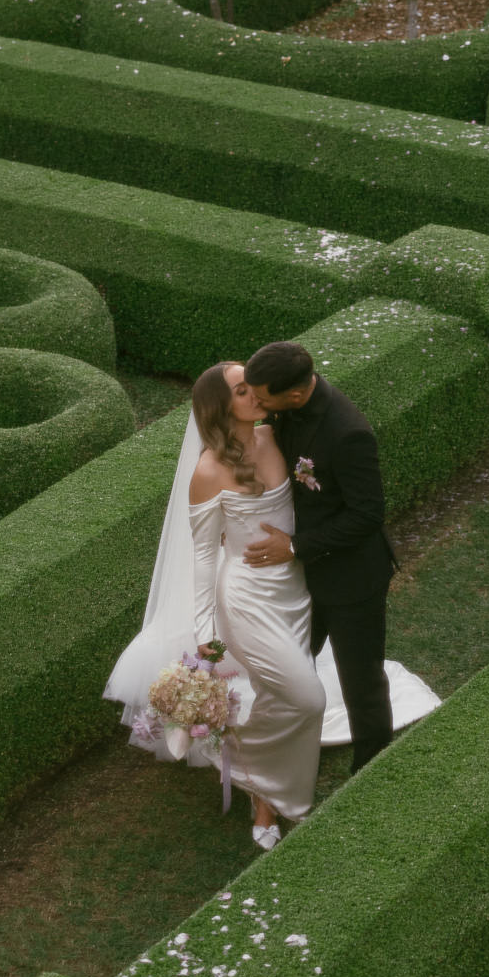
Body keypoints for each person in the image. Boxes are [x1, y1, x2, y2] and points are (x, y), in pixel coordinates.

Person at [104, 362, 324, 850]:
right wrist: (206, 632)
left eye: (253, 386)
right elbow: (203, 558)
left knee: (280, 694)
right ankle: (273, 789)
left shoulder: (276, 437)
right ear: (220, 406)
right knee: (309, 698)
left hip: (294, 591)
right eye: (242, 391)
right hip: (245, 598)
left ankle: (261, 793)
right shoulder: (208, 471)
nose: (255, 395)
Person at [241, 340, 397, 773]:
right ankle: (283, 749)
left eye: (262, 397)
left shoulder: (349, 433)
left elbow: (368, 514)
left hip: (351, 579)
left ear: (295, 394)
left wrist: (293, 547)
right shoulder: (281, 406)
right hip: (297, 579)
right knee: (289, 664)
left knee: (360, 679)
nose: (256, 402)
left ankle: (372, 766)